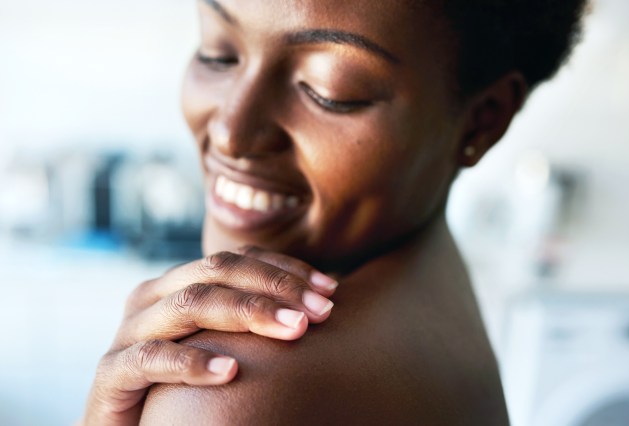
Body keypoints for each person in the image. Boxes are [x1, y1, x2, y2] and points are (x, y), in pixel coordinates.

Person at [83, 0, 588, 424]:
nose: (231, 133)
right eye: (220, 54)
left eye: (329, 91)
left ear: (482, 122)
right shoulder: (431, 282)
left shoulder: (231, 390)